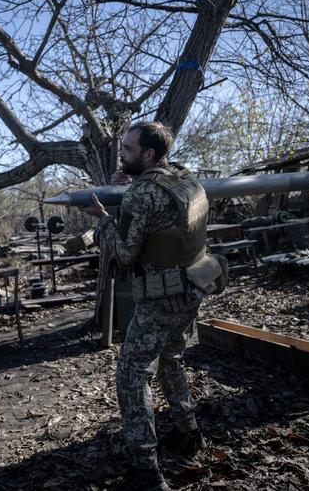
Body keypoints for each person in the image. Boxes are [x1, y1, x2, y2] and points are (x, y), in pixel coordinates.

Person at [80, 122, 221, 491]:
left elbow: (126, 252)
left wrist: (103, 223)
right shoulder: (184, 178)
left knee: (131, 375)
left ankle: (146, 469)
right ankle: (190, 433)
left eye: (127, 149)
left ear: (148, 154)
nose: (121, 154)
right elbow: (165, 219)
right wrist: (129, 187)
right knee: (172, 360)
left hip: (162, 297)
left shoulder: (143, 193)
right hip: (194, 286)